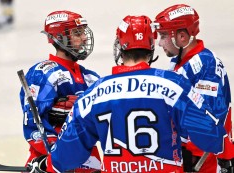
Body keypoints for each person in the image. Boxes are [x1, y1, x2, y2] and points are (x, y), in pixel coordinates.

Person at [27, 15, 227, 173]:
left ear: (119, 48)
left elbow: (67, 155)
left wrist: (46, 165)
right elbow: (211, 136)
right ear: (150, 47)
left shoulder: (95, 92)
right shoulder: (175, 85)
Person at [153, 4, 234, 172]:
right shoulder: (179, 62)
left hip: (205, 163)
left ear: (182, 37)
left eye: (163, 35)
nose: (160, 43)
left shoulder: (206, 65)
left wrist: (193, 158)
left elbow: (208, 120)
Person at [19, 10, 101, 172]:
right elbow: (33, 122)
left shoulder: (91, 77)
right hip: (52, 160)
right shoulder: (43, 73)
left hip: (89, 159)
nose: (84, 38)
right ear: (60, 37)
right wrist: (54, 157)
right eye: (77, 33)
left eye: (83, 32)